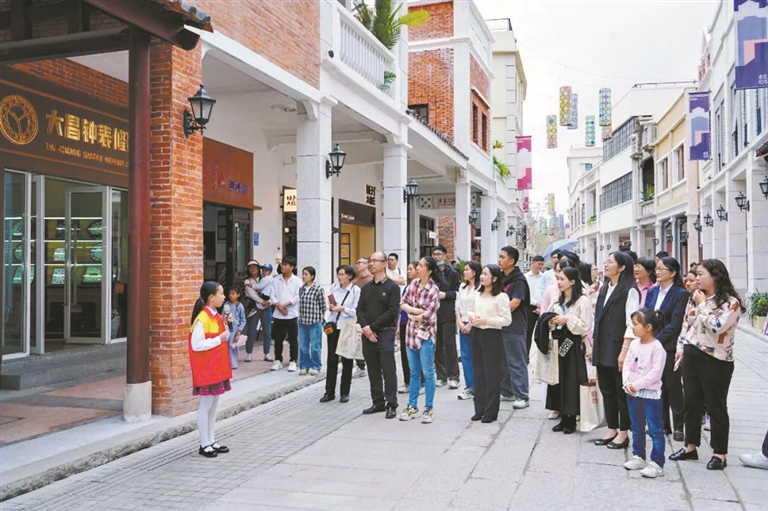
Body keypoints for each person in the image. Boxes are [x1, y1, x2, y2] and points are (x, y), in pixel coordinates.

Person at [670, 259, 743, 471]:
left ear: (715, 276)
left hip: (716, 359)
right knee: (691, 403)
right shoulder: (695, 298)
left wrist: (702, 304)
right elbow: (686, 325)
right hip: (692, 354)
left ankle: (719, 453)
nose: (697, 278)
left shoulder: (730, 302)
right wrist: (680, 348)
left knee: (715, 406)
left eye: (701, 274)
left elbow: (717, 326)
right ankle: (690, 447)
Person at [592, 251, 640, 449]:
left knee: (621, 391)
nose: (605, 265)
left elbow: (632, 323)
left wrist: (624, 351)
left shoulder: (629, 290)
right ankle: (611, 428)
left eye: (610, 262)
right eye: (606, 261)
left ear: (622, 267)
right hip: (602, 344)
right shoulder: (604, 288)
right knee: (606, 389)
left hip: (619, 345)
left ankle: (623, 432)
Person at [645, 256, 688, 441]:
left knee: (673, 385)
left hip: (669, 345)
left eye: (661, 269)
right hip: (652, 343)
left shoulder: (680, 294)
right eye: (657, 268)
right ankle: (662, 424)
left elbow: (676, 323)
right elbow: (646, 315)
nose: (657, 272)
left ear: (672, 272)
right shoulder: (653, 291)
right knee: (657, 384)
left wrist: (657, 340)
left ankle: (679, 425)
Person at [545, 267, 591, 434]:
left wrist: (567, 319)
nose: (559, 282)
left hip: (572, 342)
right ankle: (562, 416)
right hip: (557, 340)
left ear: (572, 281)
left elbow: (585, 325)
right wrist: (552, 321)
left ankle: (571, 419)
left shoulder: (582, 301)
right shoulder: (557, 300)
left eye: (562, 279)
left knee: (571, 380)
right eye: (558, 279)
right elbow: (547, 317)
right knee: (558, 380)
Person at [622, 309, 668, 478]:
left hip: (650, 394)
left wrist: (636, 385)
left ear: (648, 327)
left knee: (655, 428)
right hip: (632, 392)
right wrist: (627, 382)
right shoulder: (634, 344)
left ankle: (657, 462)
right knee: (636, 425)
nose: (632, 327)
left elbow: (655, 373)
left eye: (636, 324)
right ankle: (638, 455)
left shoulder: (657, 348)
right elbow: (627, 363)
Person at [188, 281, 232, 458]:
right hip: (207, 369)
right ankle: (204, 443)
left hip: (216, 368)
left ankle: (211, 440)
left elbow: (224, 337)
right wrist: (219, 339)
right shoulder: (202, 319)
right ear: (211, 297)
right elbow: (197, 345)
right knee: (206, 405)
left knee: (213, 406)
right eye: (221, 294)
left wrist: (226, 327)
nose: (224, 297)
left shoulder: (217, 316)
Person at [357, 251, 401, 419]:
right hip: (368, 334)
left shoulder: (392, 287)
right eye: (370, 260)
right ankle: (378, 402)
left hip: (385, 332)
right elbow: (360, 310)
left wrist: (372, 327)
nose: (371, 263)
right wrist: (366, 328)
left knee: (388, 369)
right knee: (373, 369)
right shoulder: (366, 288)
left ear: (384, 264)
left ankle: (391, 404)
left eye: (375, 260)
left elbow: (392, 311)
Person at [399, 257, 441, 423]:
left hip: (426, 335)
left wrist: (414, 314)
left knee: (428, 373)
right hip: (410, 335)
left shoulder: (433, 290)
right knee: (414, 373)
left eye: (421, 265)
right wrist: (416, 311)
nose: (418, 267)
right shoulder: (413, 285)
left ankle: (428, 408)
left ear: (429, 270)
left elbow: (429, 316)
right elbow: (402, 303)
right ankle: (412, 406)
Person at [468, 264, 512, 423]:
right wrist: (472, 317)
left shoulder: (501, 297)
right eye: (482, 273)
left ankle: (490, 412)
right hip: (476, 334)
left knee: (492, 374)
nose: (482, 276)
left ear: (494, 278)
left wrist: (487, 320)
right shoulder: (477, 294)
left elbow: (506, 320)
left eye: (485, 274)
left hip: (492, 336)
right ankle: (479, 409)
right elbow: (471, 310)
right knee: (478, 372)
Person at [321, 264, 360, 403]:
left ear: (350, 276)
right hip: (333, 326)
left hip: (347, 328)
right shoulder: (333, 287)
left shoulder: (355, 290)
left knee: (347, 360)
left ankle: (345, 392)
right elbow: (328, 305)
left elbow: (357, 311)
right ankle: (329, 392)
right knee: (332, 360)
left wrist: (343, 309)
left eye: (342, 274)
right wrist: (331, 307)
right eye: (338, 274)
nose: (339, 277)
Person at [498, 246, 531, 409]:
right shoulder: (500, 278)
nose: (499, 260)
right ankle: (507, 391)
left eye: (502, 257)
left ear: (511, 261)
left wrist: (497, 314)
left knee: (516, 361)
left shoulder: (519, 281)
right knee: (503, 361)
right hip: (500, 325)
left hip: (515, 326)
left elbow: (515, 303)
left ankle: (522, 395)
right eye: (499, 256)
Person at [431, 245, 461, 389]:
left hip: (448, 312)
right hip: (434, 313)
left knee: (449, 345)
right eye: (434, 254)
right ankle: (441, 376)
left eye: (439, 254)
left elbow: (457, 292)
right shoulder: (431, 273)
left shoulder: (453, 273)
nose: (436, 257)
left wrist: (446, 295)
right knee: (437, 345)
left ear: (445, 255)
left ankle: (453, 376)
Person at [270, 256, 302, 372]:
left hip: (291, 314)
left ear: (292, 267)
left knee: (293, 339)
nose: (282, 266)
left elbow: (298, 296)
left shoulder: (297, 281)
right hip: (278, 314)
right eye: (282, 264)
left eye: (285, 265)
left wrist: (286, 304)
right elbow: (272, 294)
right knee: (278, 339)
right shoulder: (276, 280)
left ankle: (293, 360)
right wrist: (278, 305)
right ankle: (278, 360)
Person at [456, 261, 482, 401]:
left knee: (476, 356)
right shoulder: (462, 287)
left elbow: (479, 308)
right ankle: (469, 386)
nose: (464, 272)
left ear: (475, 272)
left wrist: (470, 325)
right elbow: (457, 306)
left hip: (475, 324)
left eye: (467, 270)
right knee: (465, 356)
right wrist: (460, 322)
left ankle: (478, 386)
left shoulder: (480, 288)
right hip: (462, 323)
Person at [243, 261, 274, 362]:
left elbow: (273, 291)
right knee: (251, 331)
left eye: (255, 267)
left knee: (267, 331)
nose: (253, 269)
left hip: (267, 307)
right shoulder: (247, 281)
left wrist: (269, 302)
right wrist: (262, 301)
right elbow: (251, 294)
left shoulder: (265, 278)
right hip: (254, 307)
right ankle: (249, 353)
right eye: (250, 267)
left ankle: (267, 353)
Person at [298, 266, 326, 376]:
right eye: (303, 274)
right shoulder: (301, 289)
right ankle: (304, 365)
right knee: (303, 345)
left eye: (306, 274)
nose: (303, 276)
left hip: (315, 321)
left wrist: (320, 318)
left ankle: (316, 366)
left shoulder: (318, 289)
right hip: (302, 320)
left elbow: (323, 306)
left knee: (315, 346)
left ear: (312, 276)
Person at [398, 261, 419, 395]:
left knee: (416, 354)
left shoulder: (421, 287)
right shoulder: (407, 287)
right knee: (404, 354)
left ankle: (419, 382)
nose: (408, 271)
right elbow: (402, 307)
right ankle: (407, 381)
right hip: (404, 323)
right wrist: (398, 326)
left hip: (416, 324)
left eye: (411, 269)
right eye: (408, 269)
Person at [353, 257, 373, 378]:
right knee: (358, 342)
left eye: (360, 263)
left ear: (366, 264)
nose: (357, 265)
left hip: (370, 314)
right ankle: (361, 366)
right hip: (358, 315)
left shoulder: (372, 280)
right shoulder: (356, 282)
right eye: (357, 263)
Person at [525, 255, 547, 358]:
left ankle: (543, 355)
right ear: (532, 263)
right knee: (528, 333)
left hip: (543, 307)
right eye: (539, 264)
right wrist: (535, 303)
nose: (540, 266)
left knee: (542, 333)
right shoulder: (525, 277)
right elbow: (526, 294)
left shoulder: (544, 277)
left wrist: (542, 305)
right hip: (530, 307)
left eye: (542, 264)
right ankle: (526, 355)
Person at [225, 286, 246, 370]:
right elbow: (223, 316)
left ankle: (233, 364)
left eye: (233, 294)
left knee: (232, 346)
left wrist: (239, 331)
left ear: (238, 295)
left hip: (235, 328)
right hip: (227, 327)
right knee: (226, 346)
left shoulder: (239, 306)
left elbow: (243, 320)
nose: (231, 295)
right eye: (230, 294)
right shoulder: (226, 305)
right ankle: (227, 363)